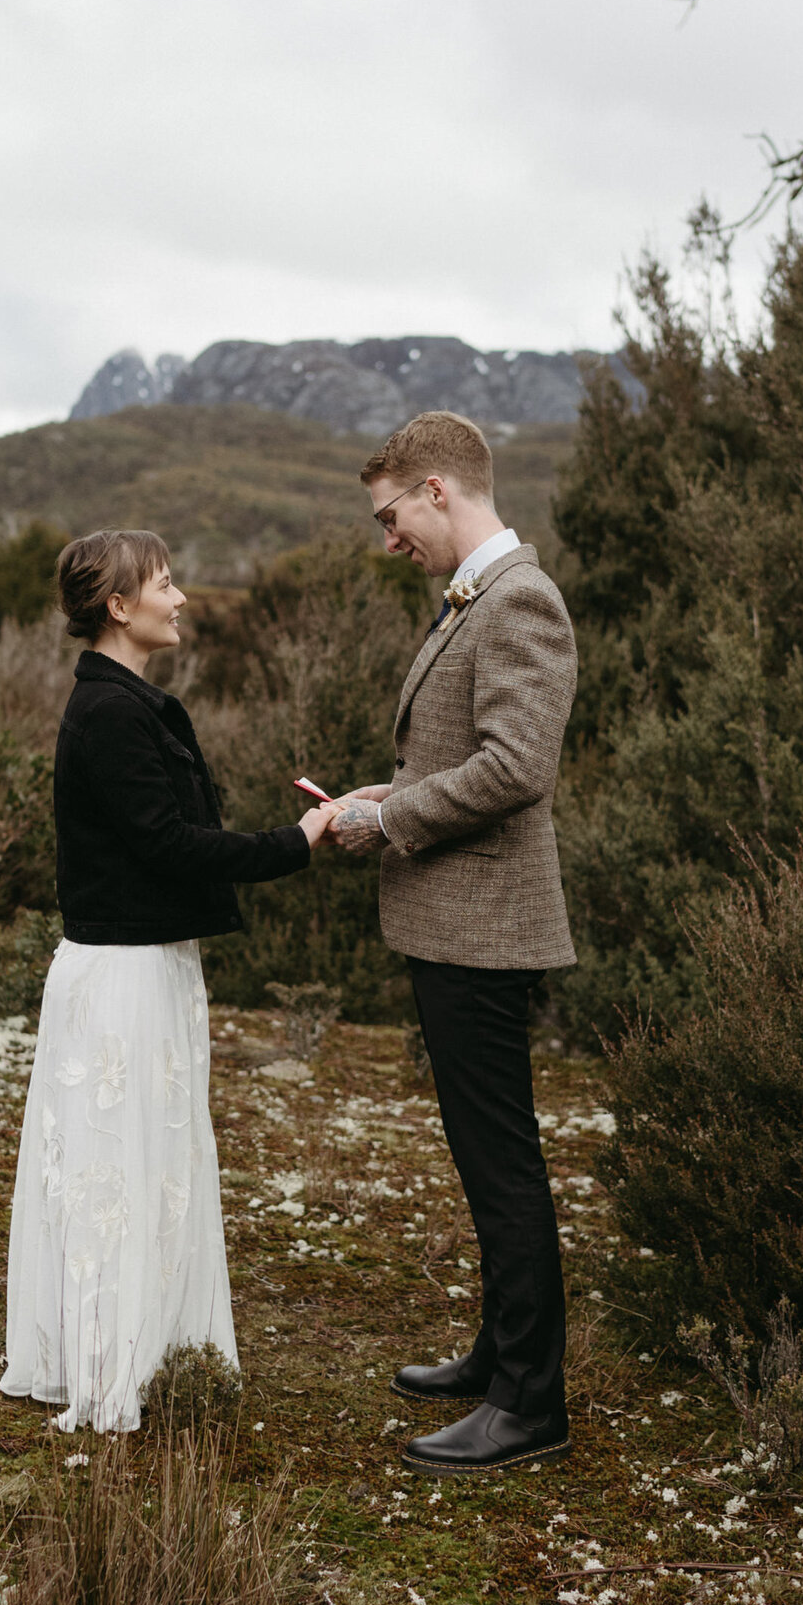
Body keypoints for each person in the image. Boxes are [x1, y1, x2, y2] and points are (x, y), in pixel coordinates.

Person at [0, 528, 337, 1433]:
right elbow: (169, 846)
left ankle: (148, 1351)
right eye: (164, 582)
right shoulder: (110, 712)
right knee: (119, 1165)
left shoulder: (127, 703)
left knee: (151, 1162)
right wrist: (295, 844)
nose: (181, 596)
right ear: (119, 605)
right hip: (121, 979)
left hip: (149, 964)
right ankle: (113, 1365)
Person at [327, 411, 579, 1476]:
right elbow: (467, 754)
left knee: (502, 1161)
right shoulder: (476, 594)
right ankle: (498, 1353)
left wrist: (388, 818)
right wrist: (401, 790)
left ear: (437, 490)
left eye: (391, 515)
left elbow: (518, 766)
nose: (388, 538)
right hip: (454, 923)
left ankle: (530, 1403)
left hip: (486, 929)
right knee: (484, 1159)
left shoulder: (519, 599)